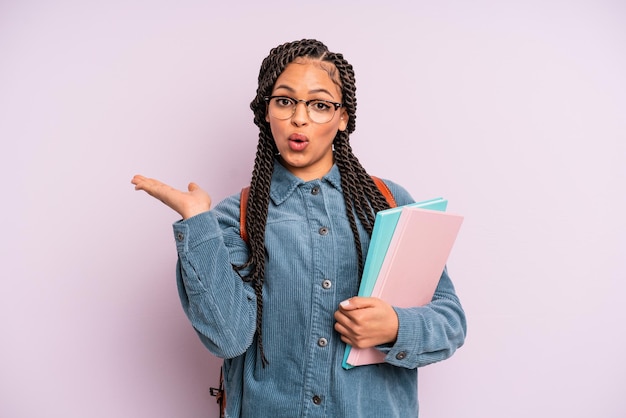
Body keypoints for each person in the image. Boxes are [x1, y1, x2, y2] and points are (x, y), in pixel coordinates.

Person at [131, 39, 466, 418]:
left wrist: (396, 326)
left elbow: (450, 321)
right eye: (285, 101)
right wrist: (197, 224)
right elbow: (227, 337)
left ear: (343, 118)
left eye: (320, 105)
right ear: (266, 111)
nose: (299, 118)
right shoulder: (236, 217)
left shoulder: (390, 203)